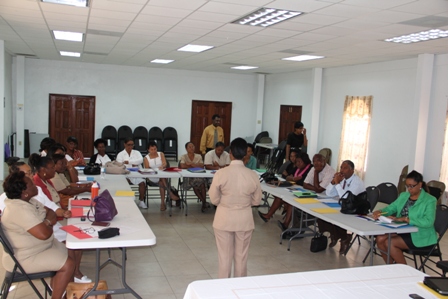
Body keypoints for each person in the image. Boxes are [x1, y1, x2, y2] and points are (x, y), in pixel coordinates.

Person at [0, 158, 91, 284]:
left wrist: (55, 216)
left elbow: (51, 210)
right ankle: (66, 282)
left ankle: (67, 282)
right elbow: (42, 232)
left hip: (39, 239)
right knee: (68, 259)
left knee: (76, 239)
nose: (32, 177)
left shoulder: (30, 198)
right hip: (28, 249)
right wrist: (47, 221)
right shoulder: (13, 203)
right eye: (27, 174)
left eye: (30, 173)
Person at [1, 171, 75, 299]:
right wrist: (48, 222)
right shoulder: (19, 209)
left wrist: (48, 222)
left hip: (40, 248)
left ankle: (65, 291)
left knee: (70, 249)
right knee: (68, 264)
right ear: (25, 192)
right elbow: (45, 234)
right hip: (25, 257)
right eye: (31, 184)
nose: (34, 184)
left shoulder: (29, 201)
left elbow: (51, 212)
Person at [209, 137, 262, 278]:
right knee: (241, 258)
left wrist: (226, 202)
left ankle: (224, 290)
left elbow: (214, 199)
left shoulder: (221, 173)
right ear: (245, 154)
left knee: (224, 258)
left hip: (224, 218)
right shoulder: (252, 175)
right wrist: (244, 202)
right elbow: (257, 201)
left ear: (230, 153)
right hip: (244, 219)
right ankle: (239, 290)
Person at [373, 170, 437, 264]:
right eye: (407, 186)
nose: (409, 189)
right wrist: (381, 212)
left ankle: (404, 271)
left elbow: (428, 222)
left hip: (420, 234)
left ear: (420, 184)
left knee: (389, 243)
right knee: (380, 238)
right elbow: (391, 208)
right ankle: (390, 267)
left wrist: (407, 219)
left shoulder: (430, 200)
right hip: (402, 230)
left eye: (412, 186)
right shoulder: (404, 195)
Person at [318, 160, 365, 253]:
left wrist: (338, 183)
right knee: (321, 216)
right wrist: (333, 182)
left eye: (345, 168)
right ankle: (336, 235)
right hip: (344, 206)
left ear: (352, 170)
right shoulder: (342, 179)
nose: (342, 170)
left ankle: (344, 238)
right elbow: (329, 193)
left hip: (355, 208)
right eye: (341, 168)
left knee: (336, 217)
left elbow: (346, 198)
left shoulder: (357, 182)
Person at [259, 152, 313, 230]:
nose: (297, 163)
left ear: (305, 161)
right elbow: (288, 177)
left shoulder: (310, 169)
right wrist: (293, 178)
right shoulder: (297, 168)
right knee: (278, 197)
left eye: (299, 161)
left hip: (305, 192)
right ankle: (268, 216)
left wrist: (292, 178)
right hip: (295, 190)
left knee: (291, 202)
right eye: (297, 161)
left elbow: (304, 183)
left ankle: (286, 224)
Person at [143, 141, 180, 211]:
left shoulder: (161, 154)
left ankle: (162, 203)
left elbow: (164, 163)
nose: (154, 151)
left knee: (161, 182)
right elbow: (147, 169)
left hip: (162, 175)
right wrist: (155, 170)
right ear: (148, 150)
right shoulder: (146, 158)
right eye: (152, 149)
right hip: (152, 176)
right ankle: (170, 193)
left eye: (155, 149)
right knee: (162, 178)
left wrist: (162, 166)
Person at [116, 137, 147, 209]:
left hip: (137, 173)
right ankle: (129, 199)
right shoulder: (120, 154)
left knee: (142, 183)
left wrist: (128, 162)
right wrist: (133, 163)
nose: (130, 146)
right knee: (125, 182)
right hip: (126, 174)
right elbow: (120, 164)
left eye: (132, 145)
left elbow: (140, 160)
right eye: (128, 145)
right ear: (124, 145)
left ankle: (141, 201)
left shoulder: (137, 152)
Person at [180, 142, 209, 212]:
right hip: (189, 178)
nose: (191, 148)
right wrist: (196, 164)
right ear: (186, 149)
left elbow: (202, 166)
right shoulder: (184, 156)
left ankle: (203, 203)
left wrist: (190, 164)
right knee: (195, 184)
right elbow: (182, 166)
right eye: (189, 147)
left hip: (199, 175)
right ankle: (204, 202)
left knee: (202, 184)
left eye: (192, 146)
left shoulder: (198, 156)